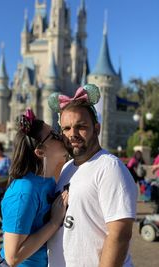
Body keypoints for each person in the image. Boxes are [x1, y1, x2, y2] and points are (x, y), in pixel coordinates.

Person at [47, 84, 138, 267]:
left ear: (96, 128)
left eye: (81, 127)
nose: (72, 134)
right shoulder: (67, 168)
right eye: (66, 128)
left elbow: (119, 234)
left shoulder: (110, 167)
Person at [0, 108, 68, 267]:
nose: (61, 136)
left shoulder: (47, 180)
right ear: (40, 152)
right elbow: (12, 257)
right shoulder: (24, 192)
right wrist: (54, 223)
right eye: (54, 135)